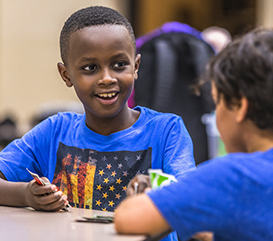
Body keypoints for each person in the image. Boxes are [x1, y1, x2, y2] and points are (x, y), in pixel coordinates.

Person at [0, 5, 194, 217]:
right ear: (66, 75)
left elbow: (191, 197)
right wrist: (26, 194)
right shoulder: (54, 131)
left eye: (119, 64)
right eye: (90, 68)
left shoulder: (166, 130)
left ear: (136, 66)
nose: (107, 78)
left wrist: (156, 187)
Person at [114, 28, 273, 241]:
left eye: (217, 103)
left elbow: (129, 218)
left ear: (240, 106)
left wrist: (156, 195)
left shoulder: (234, 176)